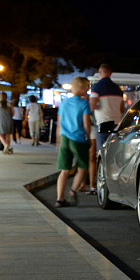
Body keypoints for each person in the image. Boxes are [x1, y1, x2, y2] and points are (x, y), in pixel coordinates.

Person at [56, 77, 92, 206]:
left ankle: (60, 199)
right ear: (81, 88)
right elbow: (86, 124)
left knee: (64, 170)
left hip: (65, 139)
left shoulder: (64, 103)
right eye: (87, 86)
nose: (88, 89)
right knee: (83, 167)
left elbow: (59, 124)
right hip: (78, 139)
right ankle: (72, 191)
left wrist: (58, 141)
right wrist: (88, 138)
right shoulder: (84, 104)